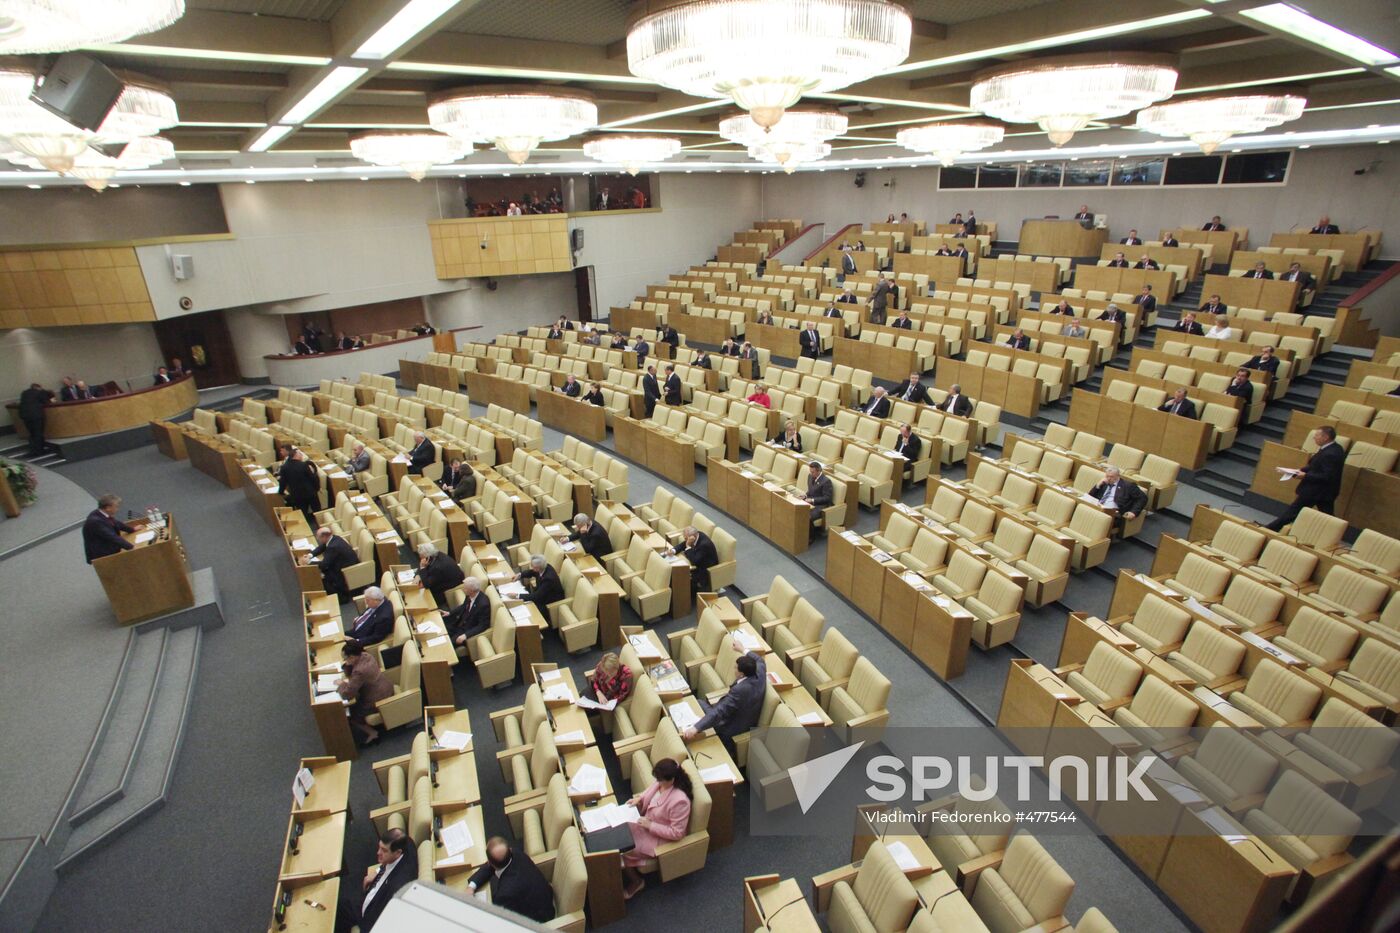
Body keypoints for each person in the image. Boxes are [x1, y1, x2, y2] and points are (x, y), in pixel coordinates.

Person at [621, 758, 694, 899]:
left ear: (672, 779)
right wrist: (639, 798)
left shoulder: (680, 801)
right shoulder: (661, 782)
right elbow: (649, 792)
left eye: (660, 780)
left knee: (625, 847)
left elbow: (677, 833)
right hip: (646, 823)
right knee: (619, 832)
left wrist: (651, 826)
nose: (657, 782)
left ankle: (637, 881)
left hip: (658, 837)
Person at [683, 641, 767, 756]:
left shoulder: (740, 691)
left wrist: (695, 728)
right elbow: (759, 659)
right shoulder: (759, 672)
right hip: (745, 715)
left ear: (741, 674)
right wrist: (743, 649)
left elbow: (719, 712)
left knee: (698, 703)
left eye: (735, 668)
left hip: (730, 726)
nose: (734, 669)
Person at [336, 828, 417, 933]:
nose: (378, 853)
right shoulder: (407, 844)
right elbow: (409, 842)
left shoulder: (396, 887)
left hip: (370, 914)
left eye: (384, 850)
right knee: (340, 905)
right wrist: (378, 870)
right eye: (379, 847)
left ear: (398, 853)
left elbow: (380, 920)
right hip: (370, 896)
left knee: (340, 912)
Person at [1267, 426, 1344, 530]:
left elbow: (1327, 476)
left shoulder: (1331, 453)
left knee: (1293, 512)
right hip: (1322, 491)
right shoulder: (1333, 448)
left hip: (1317, 491)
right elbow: (1315, 466)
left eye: (1316, 435)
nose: (1314, 438)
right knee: (1328, 516)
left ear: (1325, 437)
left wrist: (1305, 476)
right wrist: (1299, 470)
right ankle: (1334, 532)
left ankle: (1268, 529)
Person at [466, 838, 554, 924]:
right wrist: (471, 886)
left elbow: (501, 921)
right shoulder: (516, 853)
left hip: (540, 921)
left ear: (490, 862)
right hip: (543, 899)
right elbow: (489, 867)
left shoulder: (504, 895)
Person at [337, 639, 394, 746]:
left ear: (352, 657)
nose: (344, 661)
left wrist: (341, 684)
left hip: (377, 698)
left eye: (345, 658)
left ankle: (373, 733)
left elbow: (347, 694)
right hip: (386, 687)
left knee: (353, 715)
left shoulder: (360, 671)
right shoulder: (366, 656)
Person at [1088, 466, 1148, 534]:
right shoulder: (1104, 482)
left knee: (1094, 521)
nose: (1108, 478)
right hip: (1098, 508)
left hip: (1114, 514)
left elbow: (1142, 498)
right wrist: (1097, 486)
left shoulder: (1128, 486)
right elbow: (1090, 496)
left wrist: (1133, 512)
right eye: (1107, 476)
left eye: (1111, 477)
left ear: (1118, 476)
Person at [306, 526, 357, 603]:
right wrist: (310, 555)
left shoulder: (333, 547)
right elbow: (322, 547)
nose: (317, 539)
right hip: (342, 562)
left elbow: (324, 564)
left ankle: (341, 597)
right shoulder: (334, 538)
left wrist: (309, 562)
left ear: (324, 536)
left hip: (345, 567)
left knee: (324, 575)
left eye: (319, 537)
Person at [83, 493, 136, 563]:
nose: (118, 509)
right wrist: (132, 548)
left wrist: (132, 529)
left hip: (109, 549)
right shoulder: (95, 521)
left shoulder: (100, 513)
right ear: (108, 508)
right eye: (116, 507)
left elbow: (116, 523)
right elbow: (111, 536)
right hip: (103, 556)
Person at [443, 576, 490, 649]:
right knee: (442, 631)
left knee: (448, 645)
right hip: (459, 623)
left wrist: (465, 635)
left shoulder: (483, 604)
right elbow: (463, 606)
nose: (463, 589)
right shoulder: (470, 595)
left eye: (465, 588)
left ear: (471, 590)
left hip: (466, 630)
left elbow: (483, 626)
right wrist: (449, 613)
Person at [278, 448, 320, 524]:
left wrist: (281, 491)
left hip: (297, 494)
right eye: (300, 454)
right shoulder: (304, 465)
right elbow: (312, 478)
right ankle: (320, 523)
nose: (301, 455)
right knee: (317, 510)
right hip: (310, 492)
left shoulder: (284, 467)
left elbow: (282, 481)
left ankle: (304, 526)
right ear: (295, 455)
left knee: (302, 512)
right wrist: (317, 488)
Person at [417, 542, 465, 608]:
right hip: (446, 579)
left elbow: (426, 584)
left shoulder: (437, 567)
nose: (421, 559)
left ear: (428, 557)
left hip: (450, 587)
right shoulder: (437, 554)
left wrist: (422, 568)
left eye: (421, 558)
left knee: (424, 597)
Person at [676, 525, 718, 592]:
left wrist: (688, 546)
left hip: (706, 570)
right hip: (698, 562)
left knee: (682, 578)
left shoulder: (704, 545)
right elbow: (683, 544)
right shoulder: (697, 534)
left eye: (686, 538)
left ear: (693, 537)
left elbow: (694, 561)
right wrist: (673, 550)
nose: (685, 540)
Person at [18, 382, 53, 456]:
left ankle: (32, 450)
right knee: (38, 432)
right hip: (36, 415)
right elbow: (47, 401)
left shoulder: (24, 393)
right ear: (38, 387)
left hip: (25, 415)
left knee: (31, 433)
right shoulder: (40, 392)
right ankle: (39, 451)